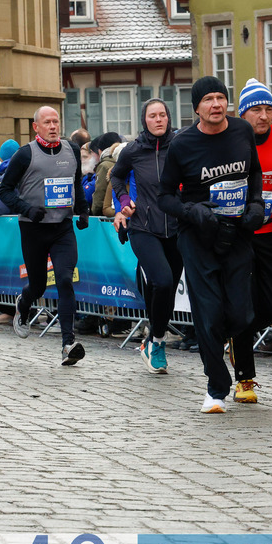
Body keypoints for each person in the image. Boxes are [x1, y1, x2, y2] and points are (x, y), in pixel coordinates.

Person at [158, 76, 267, 413]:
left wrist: (256, 205)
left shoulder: (242, 132)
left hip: (237, 234)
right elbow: (164, 197)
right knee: (208, 315)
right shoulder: (182, 144)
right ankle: (216, 389)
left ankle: (227, 348)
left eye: (221, 98)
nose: (216, 105)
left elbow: (255, 175)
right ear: (197, 108)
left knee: (239, 313)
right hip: (198, 236)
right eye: (208, 100)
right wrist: (190, 211)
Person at [0, 106, 90, 365]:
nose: (53, 126)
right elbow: (4, 191)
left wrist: (82, 211)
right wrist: (26, 209)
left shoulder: (72, 150)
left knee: (64, 279)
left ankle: (67, 344)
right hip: (33, 228)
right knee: (38, 285)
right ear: (35, 127)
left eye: (56, 121)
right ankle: (23, 304)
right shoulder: (24, 155)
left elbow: (76, 185)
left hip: (62, 227)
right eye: (47, 122)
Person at [225, 79, 272, 401]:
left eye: (269, 109)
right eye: (256, 110)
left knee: (270, 307)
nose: (264, 116)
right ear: (243, 114)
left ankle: (236, 336)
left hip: (271, 230)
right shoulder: (231, 138)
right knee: (242, 305)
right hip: (239, 233)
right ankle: (245, 380)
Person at [110, 98, 180, 374]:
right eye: (153, 116)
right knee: (161, 280)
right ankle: (158, 342)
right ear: (145, 120)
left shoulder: (179, 146)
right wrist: (124, 199)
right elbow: (116, 177)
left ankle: (152, 337)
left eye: (163, 114)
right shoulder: (133, 150)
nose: (159, 119)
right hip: (143, 226)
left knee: (167, 287)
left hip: (176, 226)